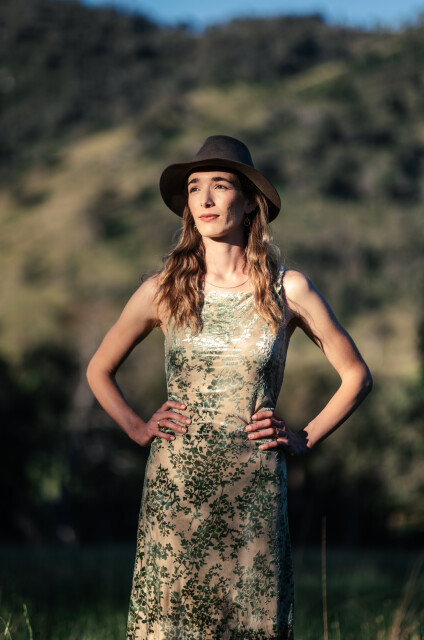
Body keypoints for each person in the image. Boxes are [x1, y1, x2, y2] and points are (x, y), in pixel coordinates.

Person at [86, 135, 372, 640]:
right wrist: (136, 427)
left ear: (250, 203)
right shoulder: (163, 289)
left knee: (252, 624)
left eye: (220, 185)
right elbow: (99, 369)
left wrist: (304, 436)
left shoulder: (288, 289)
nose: (205, 199)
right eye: (195, 187)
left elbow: (356, 376)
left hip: (253, 490)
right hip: (175, 492)